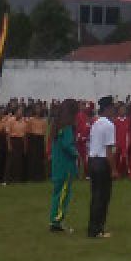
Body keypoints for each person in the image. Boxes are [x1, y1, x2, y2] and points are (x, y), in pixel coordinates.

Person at [87, 96, 118, 239]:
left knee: (96, 196)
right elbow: (109, 151)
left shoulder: (95, 123)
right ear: (107, 108)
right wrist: (114, 169)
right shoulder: (109, 125)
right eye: (112, 107)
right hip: (102, 162)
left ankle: (93, 227)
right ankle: (98, 229)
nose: (114, 110)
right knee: (103, 197)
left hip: (92, 160)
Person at [49, 99, 79, 233]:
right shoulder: (67, 127)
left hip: (57, 164)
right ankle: (57, 220)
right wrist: (76, 154)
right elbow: (67, 145)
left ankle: (54, 219)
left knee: (57, 193)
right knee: (63, 194)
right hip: (65, 165)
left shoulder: (57, 125)